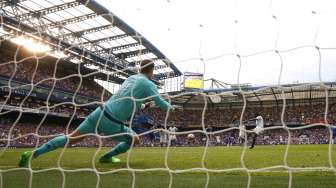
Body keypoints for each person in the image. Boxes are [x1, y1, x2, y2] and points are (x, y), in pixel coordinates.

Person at [18, 60, 180, 167]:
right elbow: (161, 103)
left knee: (71, 138)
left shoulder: (132, 78)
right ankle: (107, 157)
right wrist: (172, 108)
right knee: (134, 139)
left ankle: (33, 153)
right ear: (151, 70)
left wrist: (143, 104)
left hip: (99, 111)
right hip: (111, 120)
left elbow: (129, 99)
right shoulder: (148, 84)